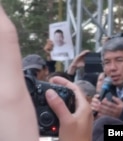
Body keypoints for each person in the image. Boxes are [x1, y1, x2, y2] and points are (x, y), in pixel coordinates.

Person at [0, 4, 93, 141]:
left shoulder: (51, 92)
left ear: (45, 70)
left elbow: (62, 82)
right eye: (26, 73)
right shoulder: (11, 97)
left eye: (35, 71)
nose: (32, 77)